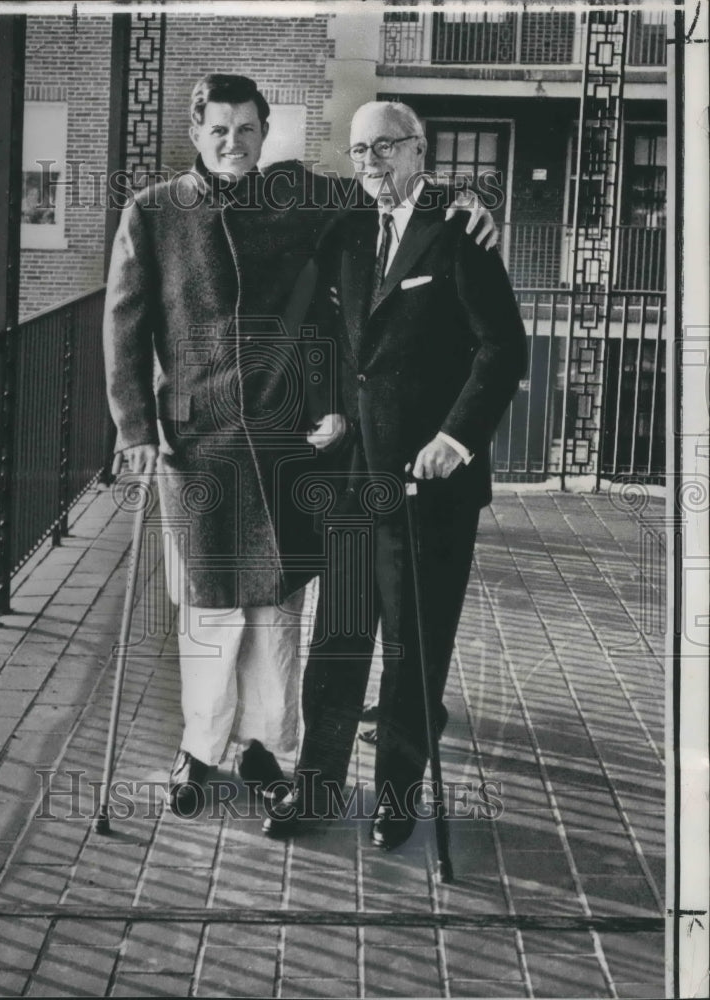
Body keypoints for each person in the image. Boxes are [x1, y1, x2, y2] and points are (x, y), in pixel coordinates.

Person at [104, 77, 497, 817]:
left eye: (246, 130)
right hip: (197, 443)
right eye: (219, 130)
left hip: (286, 441)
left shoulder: (297, 196)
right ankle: (199, 748)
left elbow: (387, 187)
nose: (233, 143)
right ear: (196, 130)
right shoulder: (153, 211)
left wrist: (461, 200)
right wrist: (135, 429)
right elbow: (123, 328)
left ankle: (266, 746)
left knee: (278, 605)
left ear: (264, 131)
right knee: (211, 603)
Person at [263, 100, 527, 849]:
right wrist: (330, 408)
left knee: (413, 650)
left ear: (419, 151)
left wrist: (455, 436)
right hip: (354, 479)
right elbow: (328, 336)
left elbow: (501, 349)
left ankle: (395, 800)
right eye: (357, 151)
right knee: (337, 644)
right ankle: (315, 793)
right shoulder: (346, 228)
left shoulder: (457, 231)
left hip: (430, 487)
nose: (370, 164)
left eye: (384, 148)